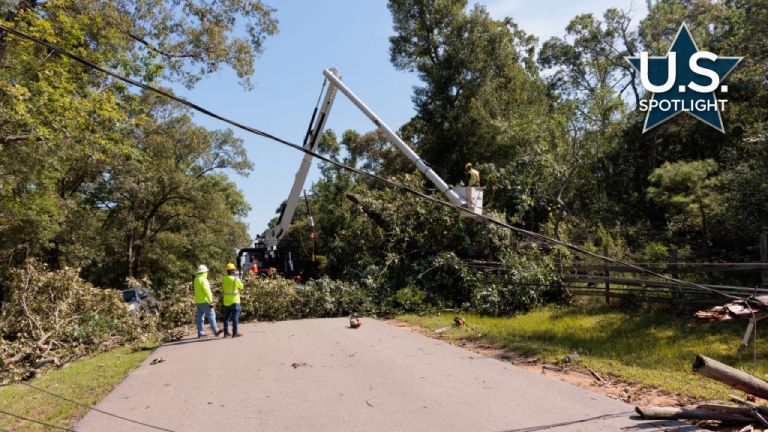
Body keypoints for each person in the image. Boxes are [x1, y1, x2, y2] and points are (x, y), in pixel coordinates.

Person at [194, 265, 222, 339]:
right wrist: (211, 301)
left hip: (198, 301)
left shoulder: (196, 279)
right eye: (206, 272)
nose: (207, 273)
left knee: (200, 318)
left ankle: (200, 333)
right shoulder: (203, 280)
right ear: (204, 272)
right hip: (205, 301)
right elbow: (207, 291)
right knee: (211, 315)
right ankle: (216, 331)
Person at [222, 263, 244, 338]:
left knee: (226, 317)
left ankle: (225, 332)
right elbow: (241, 287)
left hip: (226, 301)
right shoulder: (236, 279)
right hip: (235, 301)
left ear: (227, 271)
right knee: (235, 317)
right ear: (233, 270)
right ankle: (235, 332)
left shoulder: (224, 279)